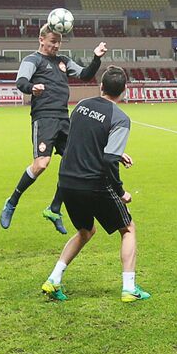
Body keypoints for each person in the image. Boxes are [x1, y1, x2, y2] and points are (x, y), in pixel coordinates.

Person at [39, 66, 150, 303]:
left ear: (101, 86)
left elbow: (82, 139)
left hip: (67, 180)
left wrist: (118, 153)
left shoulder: (81, 106)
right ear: (124, 91)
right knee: (128, 228)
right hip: (93, 182)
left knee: (85, 230)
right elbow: (108, 160)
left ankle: (53, 279)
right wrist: (121, 192)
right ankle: (129, 288)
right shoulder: (120, 118)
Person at [0, 25, 108, 234]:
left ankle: (54, 208)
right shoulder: (32, 60)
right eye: (52, 42)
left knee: (74, 163)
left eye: (59, 42)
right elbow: (21, 81)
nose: (56, 46)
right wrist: (32, 87)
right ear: (41, 39)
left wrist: (96, 58)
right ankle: (12, 202)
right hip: (44, 118)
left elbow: (85, 75)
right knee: (42, 163)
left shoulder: (64, 61)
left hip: (63, 118)